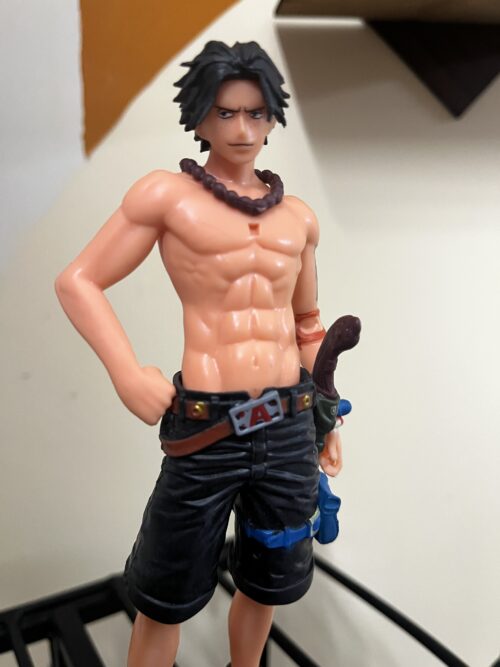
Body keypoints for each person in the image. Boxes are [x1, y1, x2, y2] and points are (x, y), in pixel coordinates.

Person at [55, 40, 343, 667]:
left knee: (266, 580)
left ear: (272, 118)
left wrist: (328, 417)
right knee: (164, 593)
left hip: (289, 422)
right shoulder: (167, 196)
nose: (241, 129)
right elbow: (78, 280)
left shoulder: (298, 218)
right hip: (208, 426)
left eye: (255, 113)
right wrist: (126, 373)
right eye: (225, 112)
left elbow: (308, 324)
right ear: (200, 116)